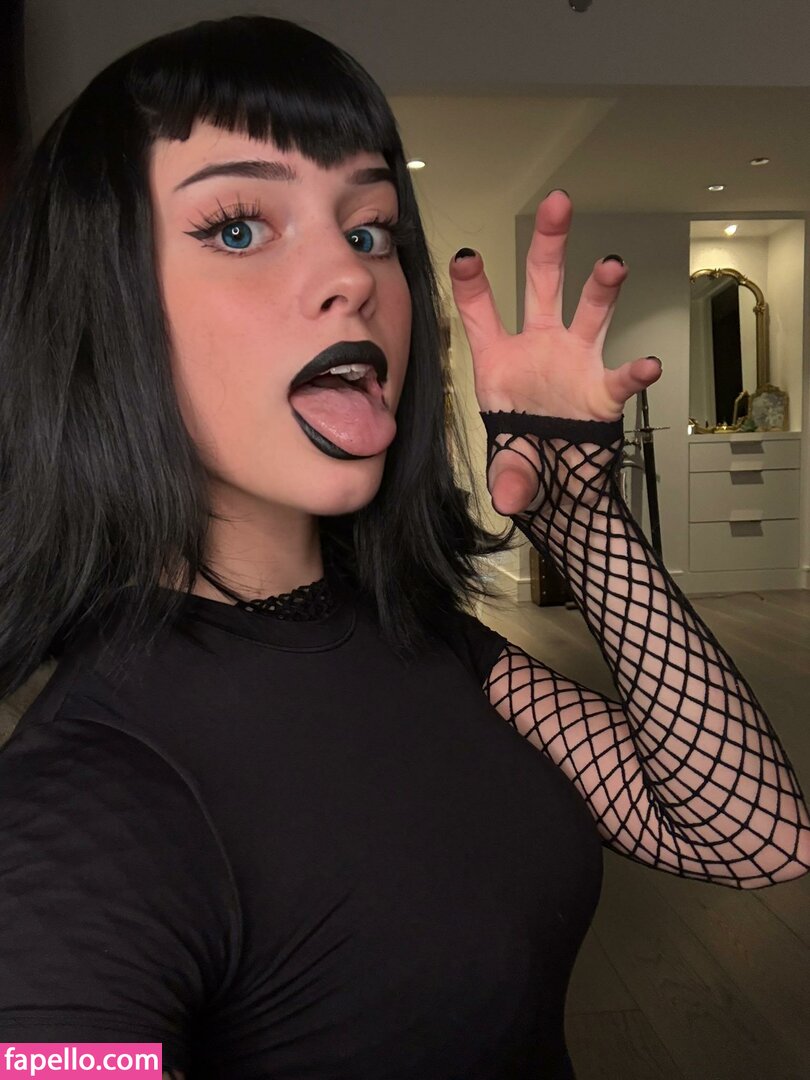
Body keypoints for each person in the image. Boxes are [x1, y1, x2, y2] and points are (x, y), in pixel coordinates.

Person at [0, 14, 807, 1080]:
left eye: (371, 228)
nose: (351, 274)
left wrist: (578, 511)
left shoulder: (424, 639)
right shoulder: (81, 804)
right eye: (238, 228)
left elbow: (747, 834)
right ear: (99, 308)